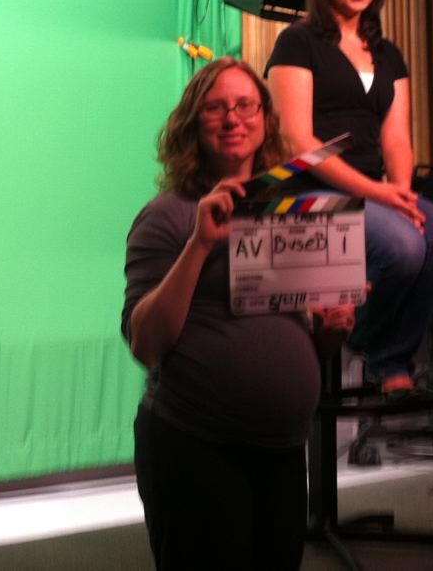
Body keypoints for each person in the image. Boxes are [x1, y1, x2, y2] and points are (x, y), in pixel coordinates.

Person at [122, 56, 354, 571]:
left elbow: (295, 337)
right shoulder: (167, 217)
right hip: (195, 446)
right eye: (216, 108)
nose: (233, 118)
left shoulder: (286, 215)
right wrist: (201, 243)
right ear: (191, 125)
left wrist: (331, 330)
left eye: (246, 105)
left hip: (283, 453)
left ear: (265, 119)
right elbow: (145, 343)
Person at [265, 0, 433, 395]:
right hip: (310, 189)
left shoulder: (387, 52)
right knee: (402, 247)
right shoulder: (297, 41)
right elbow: (300, 141)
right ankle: (366, 341)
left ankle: (390, 355)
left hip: (375, 190)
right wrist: (379, 193)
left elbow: (397, 137)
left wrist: (403, 195)